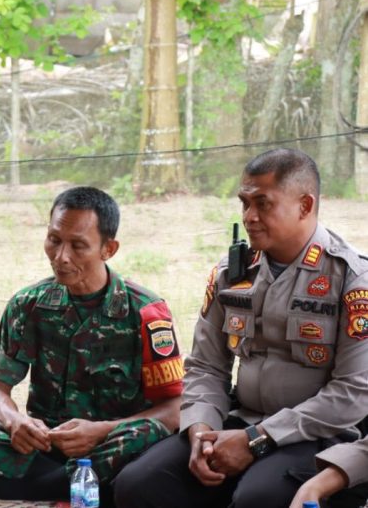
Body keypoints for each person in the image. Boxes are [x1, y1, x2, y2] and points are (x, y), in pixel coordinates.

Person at [114, 148, 368, 508]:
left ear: (305, 205)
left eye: (263, 204)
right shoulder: (232, 273)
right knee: (138, 484)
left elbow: (353, 393)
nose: (249, 216)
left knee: (257, 499)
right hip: (239, 420)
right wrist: (200, 431)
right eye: (245, 203)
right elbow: (206, 366)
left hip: (318, 435)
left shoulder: (351, 278)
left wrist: (257, 439)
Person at [0, 186, 183, 502]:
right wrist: (15, 422)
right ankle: (76, 484)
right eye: (54, 240)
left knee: (148, 434)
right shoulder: (28, 304)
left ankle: (28, 484)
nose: (61, 257)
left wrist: (100, 431)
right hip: (42, 447)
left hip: (110, 445)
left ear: (108, 249)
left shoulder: (145, 312)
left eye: (78, 245)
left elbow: (174, 410)